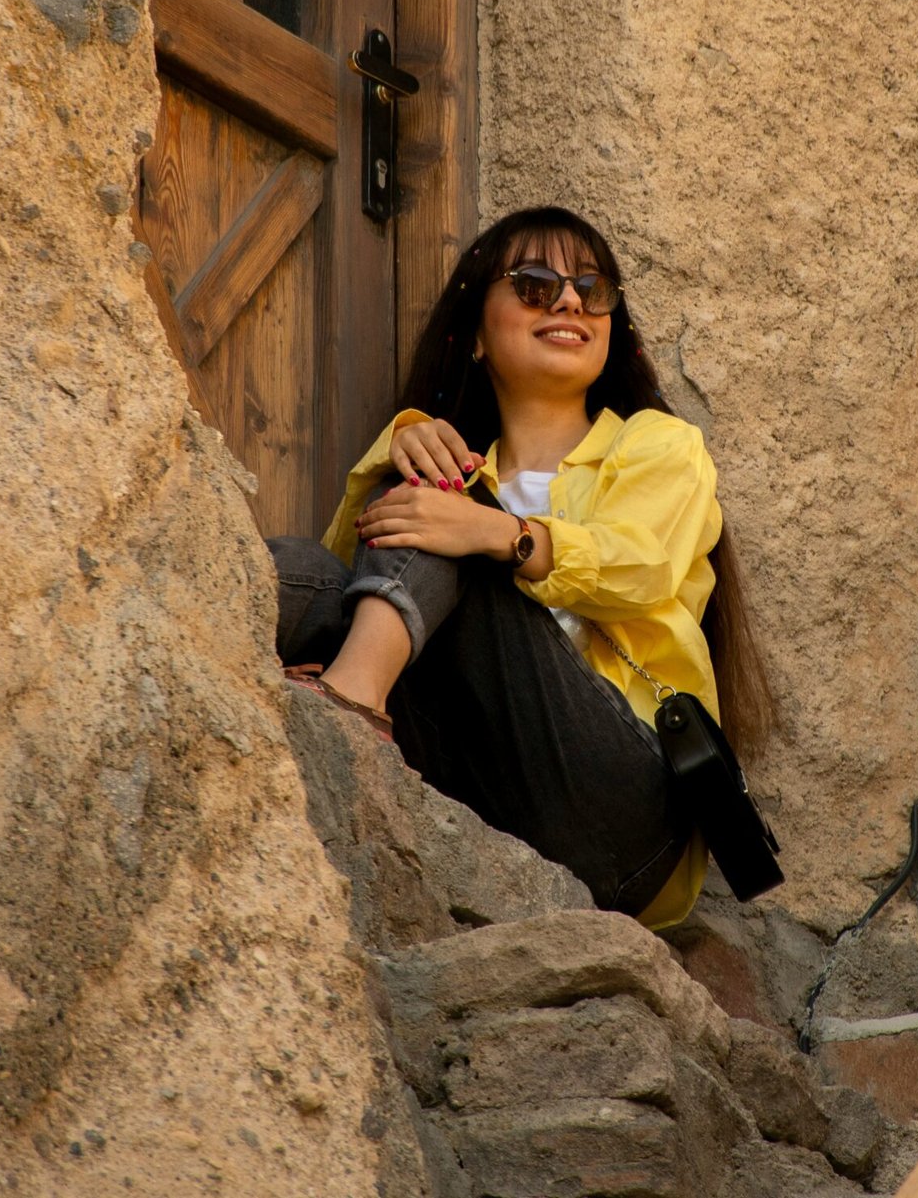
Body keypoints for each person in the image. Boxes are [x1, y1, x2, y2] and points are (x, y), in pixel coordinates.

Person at [266, 206, 774, 930]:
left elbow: (642, 565)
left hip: (625, 809)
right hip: (490, 782)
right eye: (535, 283)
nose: (569, 300)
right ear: (475, 330)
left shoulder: (659, 444)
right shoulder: (453, 463)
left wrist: (496, 531)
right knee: (301, 564)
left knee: (432, 501)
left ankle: (346, 706)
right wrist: (404, 441)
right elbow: (356, 578)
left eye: (593, 289)